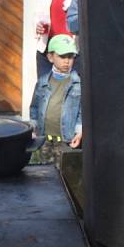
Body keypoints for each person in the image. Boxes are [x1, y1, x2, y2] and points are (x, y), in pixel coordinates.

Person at [30, 34, 82, 166]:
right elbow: (35, 106)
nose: (67, 61)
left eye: (70, 57)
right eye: (62, 56)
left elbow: (82, 110)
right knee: (43, 174)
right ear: (50, 57)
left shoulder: (78, 84)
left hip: (66, 140)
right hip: (44, 140)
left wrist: (80, 131)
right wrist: (32, 127)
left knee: (65, 176)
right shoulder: (42, 82)